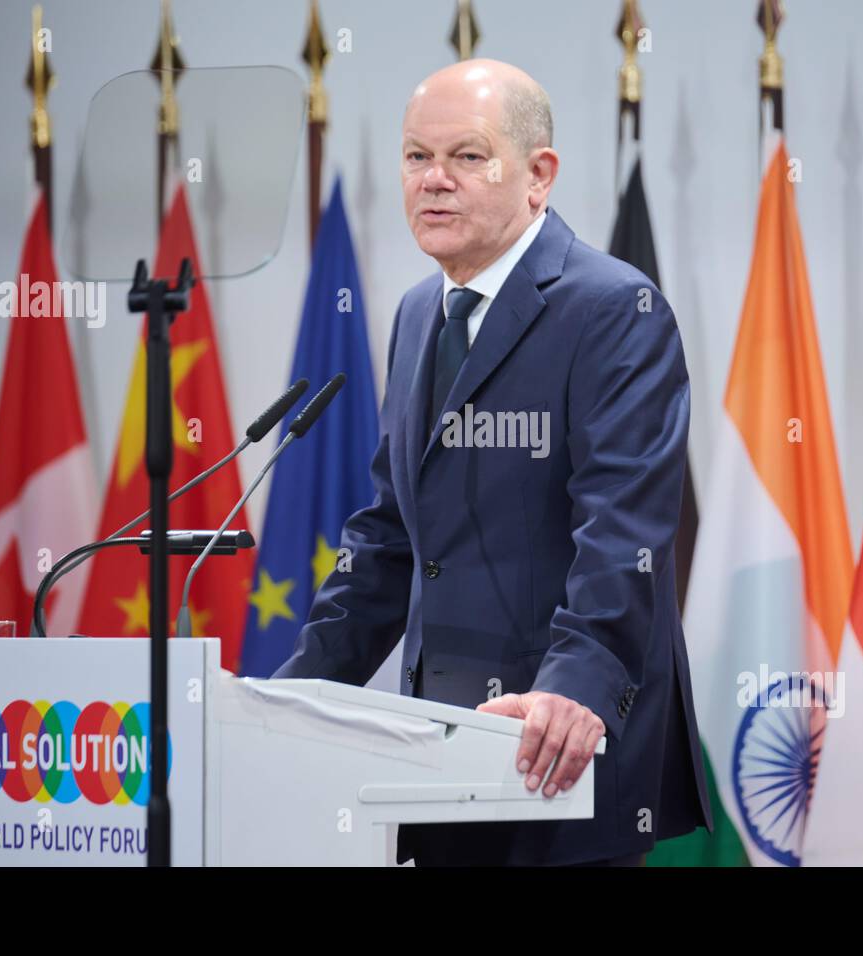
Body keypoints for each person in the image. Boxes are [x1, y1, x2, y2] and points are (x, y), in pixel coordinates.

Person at [273, 58, 712, 866]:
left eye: (467, 157)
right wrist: (289, 702)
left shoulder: (613, 310)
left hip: (553, 748)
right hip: (438, 758)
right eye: (415, 157)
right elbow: (389, 539)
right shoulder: (418, 313)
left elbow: (624, 535)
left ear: (538, 174)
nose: (433, 181)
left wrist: (573, 693)